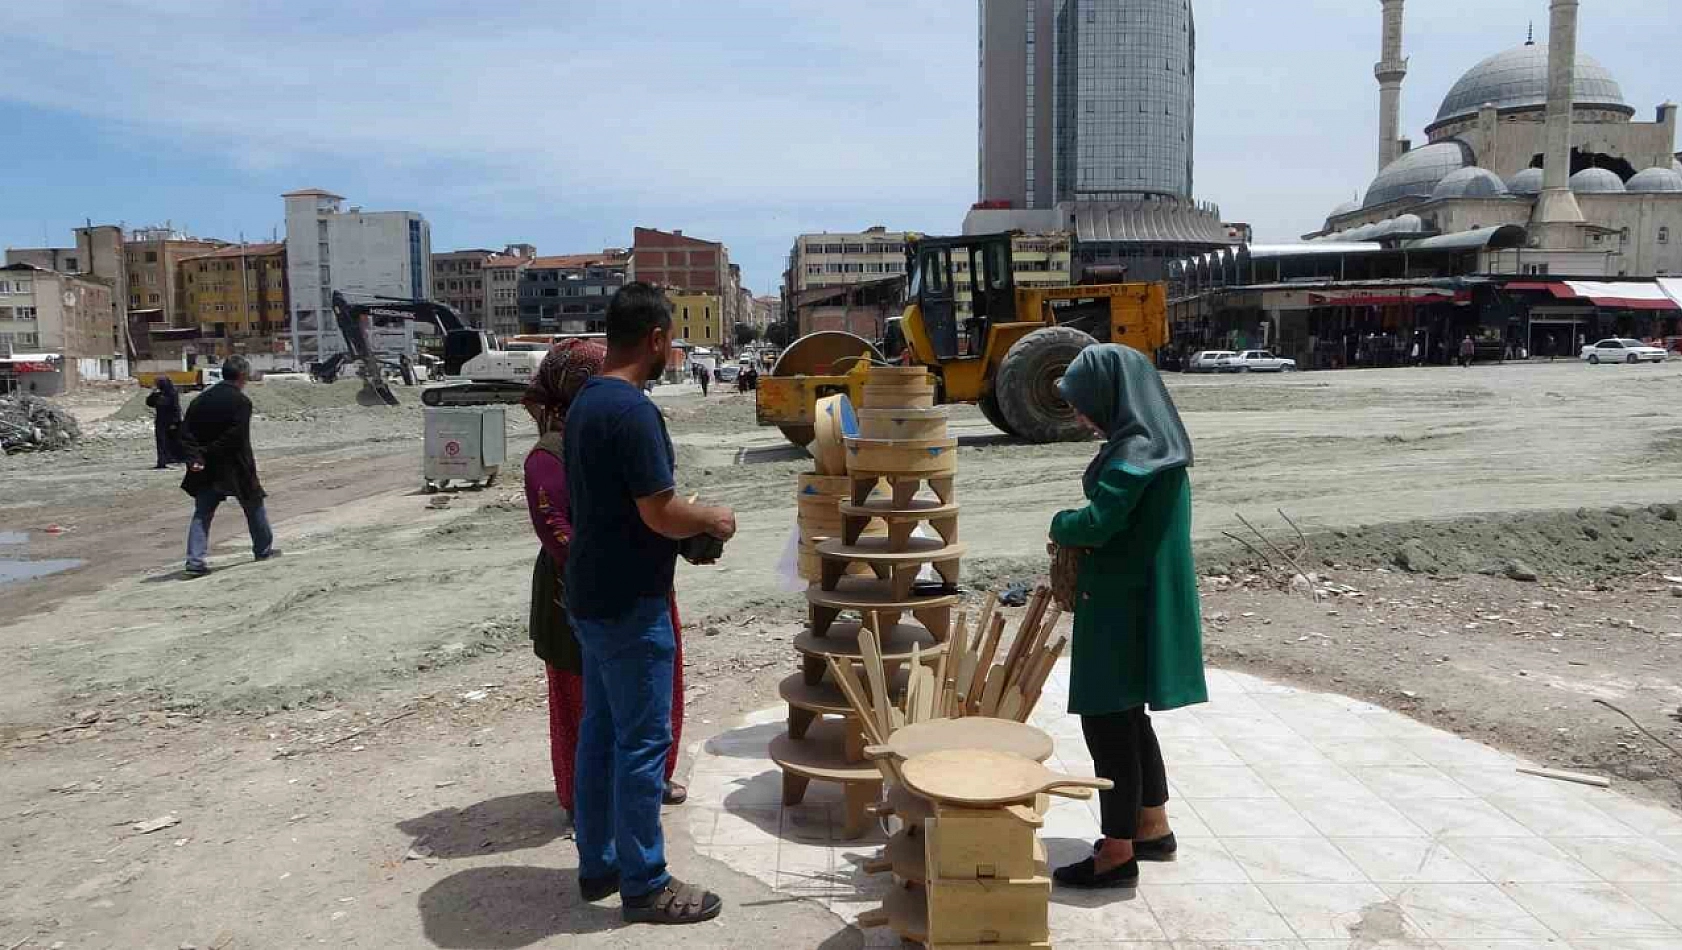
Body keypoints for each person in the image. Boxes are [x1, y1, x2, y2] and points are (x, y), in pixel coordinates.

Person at [564, 283, 735, 925]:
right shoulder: (632, 411)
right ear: (658, 339)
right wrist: (712, 517)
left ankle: (600, 862)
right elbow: (660, 511)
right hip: (630, 600)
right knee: (641, 742)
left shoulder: (586, 400)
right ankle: (644, 883)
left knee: (602, 732)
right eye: (673, 342)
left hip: (591, 591)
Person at [1045, 344, 1208, 890]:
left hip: (1119, 602)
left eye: (1084, 404)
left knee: (1108, 722)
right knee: (1132, 719)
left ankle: (1116, 853)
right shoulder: (1163, 444)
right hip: (1145, 597)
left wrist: (1062, 523)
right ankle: (1151, 825)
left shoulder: (1134, 452)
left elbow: (1099, 522)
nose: (1083, 417)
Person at [521, 339, 688, 822]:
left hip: (639, 580)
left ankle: (647, 780)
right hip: (580, 593)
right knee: (590, 700)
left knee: (651, 691)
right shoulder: (549, 455)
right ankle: (588, 802)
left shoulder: (609, 431)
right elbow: (560, 536)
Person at [180, 355, 277, 576]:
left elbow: (185, 434)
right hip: (235, 465)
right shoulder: (241, 402)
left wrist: (196, 457)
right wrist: (206, 452)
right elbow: (236, 436)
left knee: (202, 513)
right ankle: (263, 550)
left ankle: (195, 561)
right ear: (242, 375)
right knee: (253, 505)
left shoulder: (199, 400)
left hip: (205, 468)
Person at [146, 377, 184, 469]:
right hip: (161, 421)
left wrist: (175, 422)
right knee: (161, 442)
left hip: (171, 422)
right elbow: (149, 403)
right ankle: (162, 461)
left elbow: (175, 408)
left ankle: (172, 460)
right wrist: (153, 393)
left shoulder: (172, 393)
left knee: (172, 442)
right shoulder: (158, 394)